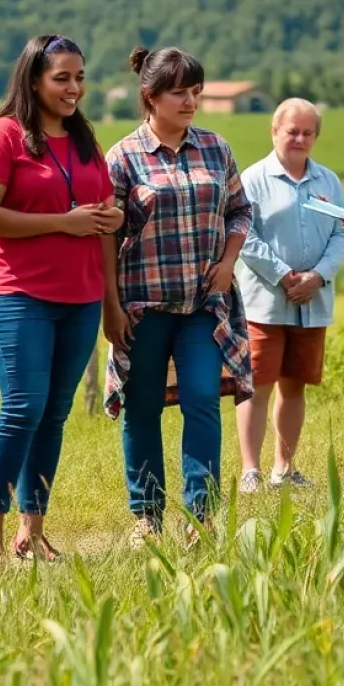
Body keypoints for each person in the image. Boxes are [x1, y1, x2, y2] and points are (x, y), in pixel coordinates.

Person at [0, 34, 122, 563]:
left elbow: (101, 219)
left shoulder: (84, 140)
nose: (74, 87)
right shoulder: (3, 135)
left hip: (80, 297)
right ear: (34, 79)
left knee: (53, 414)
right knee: (22, 408)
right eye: (62, 78)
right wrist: (65, 222)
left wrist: (111, 298)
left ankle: (31, 532)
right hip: (18, 294)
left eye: (80, 77)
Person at [102, 47, 254, 549]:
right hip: (142, 306)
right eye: (179, 92)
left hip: (202, 306)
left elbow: (239, 211)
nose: (191, 101)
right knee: (142, 407)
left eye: (195, 91)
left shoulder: (216, 148)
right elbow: (104, 234)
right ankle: (147, 516)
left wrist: (229, 262)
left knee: (203, 400)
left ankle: (202, 516)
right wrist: (111, 306)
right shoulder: (123, 157)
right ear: (150, 97)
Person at [234, 98, 344, 493]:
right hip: (264, 302)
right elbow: (244, 237)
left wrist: (318, 276)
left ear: (316, 136)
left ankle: (284, 469)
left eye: (307, 132)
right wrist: (283, 275)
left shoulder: (328, 182)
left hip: (311, 303)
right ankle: (251, 470)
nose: (300, 138)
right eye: (292, 131)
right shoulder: (253, 180)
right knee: (256, 385)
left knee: (295, 385)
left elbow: (342, 232)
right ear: (274, 131)